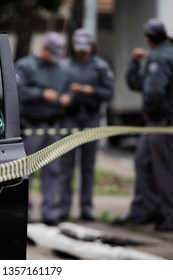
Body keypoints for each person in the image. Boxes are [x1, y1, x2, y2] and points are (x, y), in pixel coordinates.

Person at [121, 18, 173, 231]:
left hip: (161, 121)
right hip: (159, 122)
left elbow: (153, 93)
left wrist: (152, 111)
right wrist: (134, 62)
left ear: (148, 38)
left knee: (164, 170)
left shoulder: (160, 57)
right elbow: (140, 85)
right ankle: (148, 209)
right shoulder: (170, 54)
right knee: (143, 163)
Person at [15, 32, 71, 225]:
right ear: (44, 49)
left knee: (53, 170)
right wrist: (41, 94)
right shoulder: (25, 66)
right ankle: (25, 214)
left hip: (53, 125)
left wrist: (67, 97)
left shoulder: (60, 68)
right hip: (31, 125)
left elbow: (68, 88)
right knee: (25, 170)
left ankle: (50, 213)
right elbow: (17, 90)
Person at [58, 28, 114, 221]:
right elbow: (60, 91)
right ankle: (63, 207)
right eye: (79, 48)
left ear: (92, 47)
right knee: (66, 166)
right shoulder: (64, 65)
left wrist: (91, 91)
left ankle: (87, 207)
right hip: (70, 119)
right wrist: (69, 95)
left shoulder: (100, 66)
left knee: (88, 166)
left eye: (85, 48)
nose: (82, 52)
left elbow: (109, 93)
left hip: (91, 118)